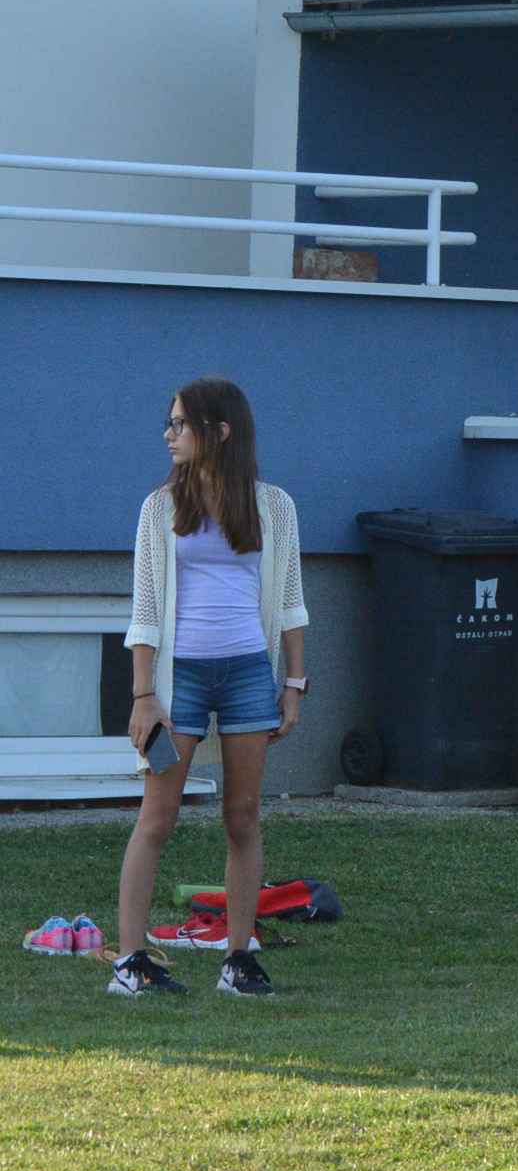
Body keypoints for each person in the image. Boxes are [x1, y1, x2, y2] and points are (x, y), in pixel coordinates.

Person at [109, 379, 308, 1000]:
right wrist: (144, 696)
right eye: (168, 423)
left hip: (249, 673)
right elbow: (145, 610)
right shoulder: (159, 508)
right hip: (180, 679)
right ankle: (131, 963)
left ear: (220, 431)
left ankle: (238, 959)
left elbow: (292, 602)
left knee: (243, 817)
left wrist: (293, 683)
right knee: (157, 818)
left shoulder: (274, 506)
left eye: (180, 424)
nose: (169, 435)